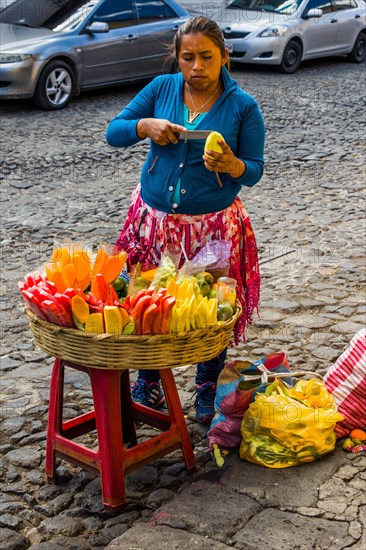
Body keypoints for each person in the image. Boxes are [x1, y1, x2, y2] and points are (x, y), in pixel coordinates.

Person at [106, 16, 265, 425]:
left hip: (212, 227)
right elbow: (114, 131)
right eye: (188, 57)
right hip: (152, 223)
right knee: (147, 303)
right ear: (177, 59)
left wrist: (231, 163)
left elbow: (255, 169)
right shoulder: (161, 89)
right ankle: (149, 379)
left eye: (207, 57)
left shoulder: (243, 107)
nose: (197, 66)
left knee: (211, 309)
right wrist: (145, 125)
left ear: (224, 57)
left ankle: (207, 385)